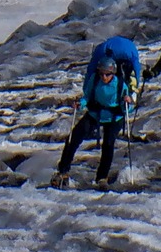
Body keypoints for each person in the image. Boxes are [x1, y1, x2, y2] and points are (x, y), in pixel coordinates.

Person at [52, 36, 139, 188]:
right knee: (74, 138)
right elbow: (88, 96)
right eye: (102, 73)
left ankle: (102, 177)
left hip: (114, 116)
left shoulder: (120, 84)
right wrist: (80, 104)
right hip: (96, 113)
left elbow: (127, 104)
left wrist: (128, 102)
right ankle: (63, 171)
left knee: (108, 145)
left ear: (113, 73)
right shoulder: (95, 80)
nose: (104, 77)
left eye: (107, 74)